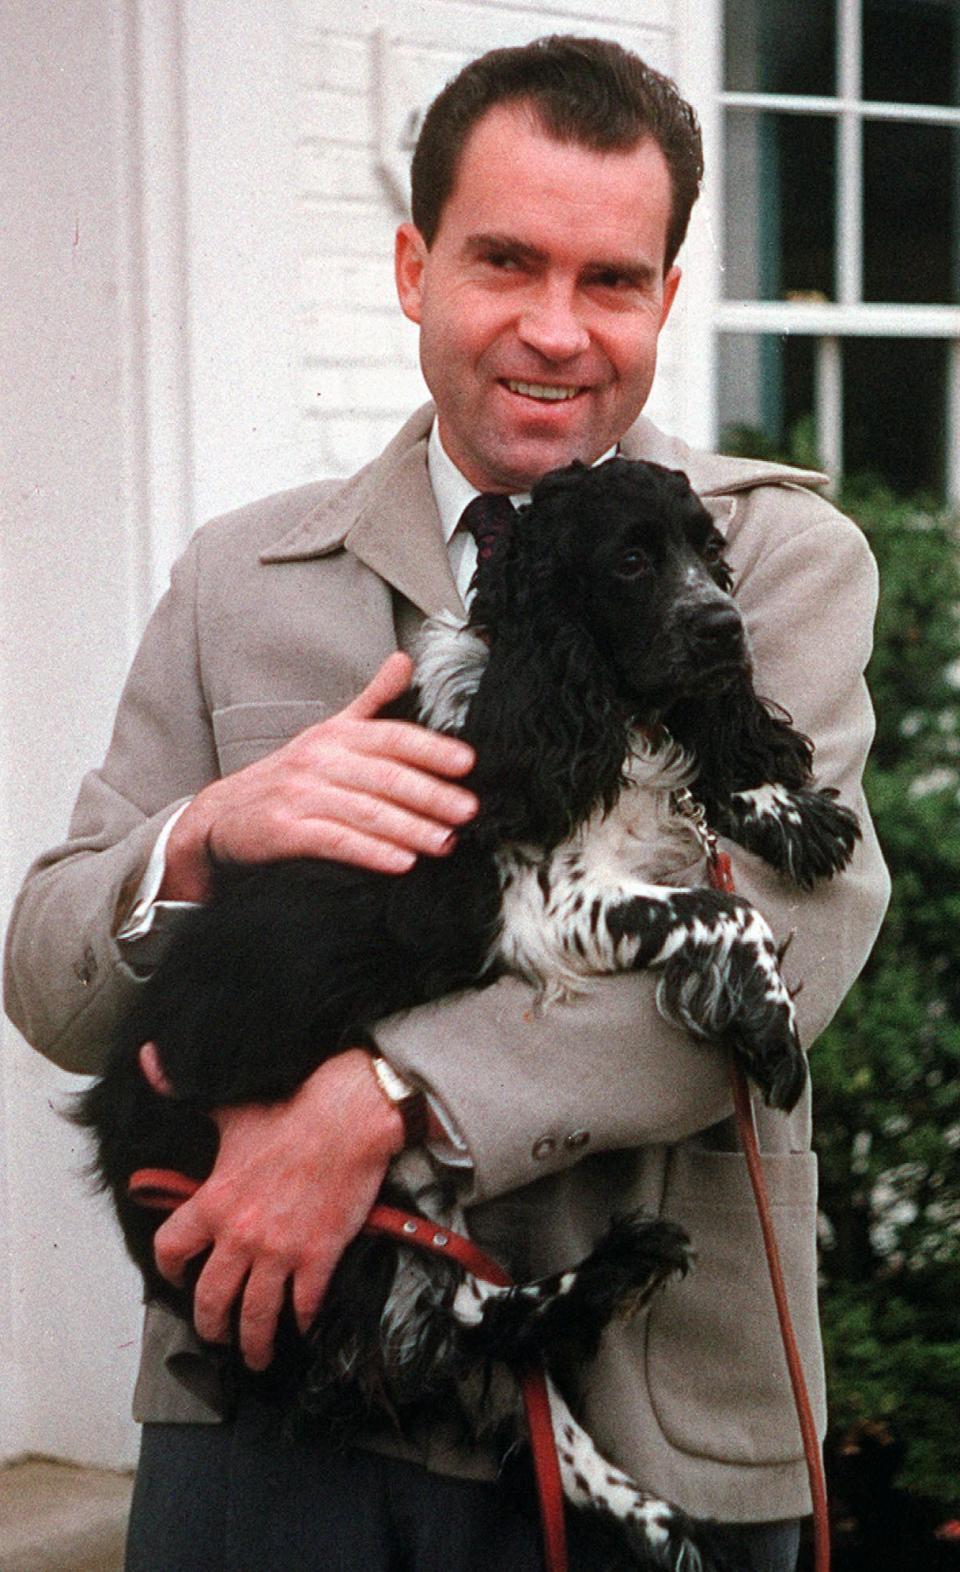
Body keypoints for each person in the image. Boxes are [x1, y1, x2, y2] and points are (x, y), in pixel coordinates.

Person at [4, 34, 889, 1572]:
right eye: (504, 261)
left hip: (653, 1409)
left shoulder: (777, 561)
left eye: (612, 279)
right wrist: (212, 830)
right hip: (273, 1408)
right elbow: (50, 971)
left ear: (667, 301)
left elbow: (796, 944)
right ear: (415, 268)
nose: (556, 330)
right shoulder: (240, 576)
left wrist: (383, 1102)